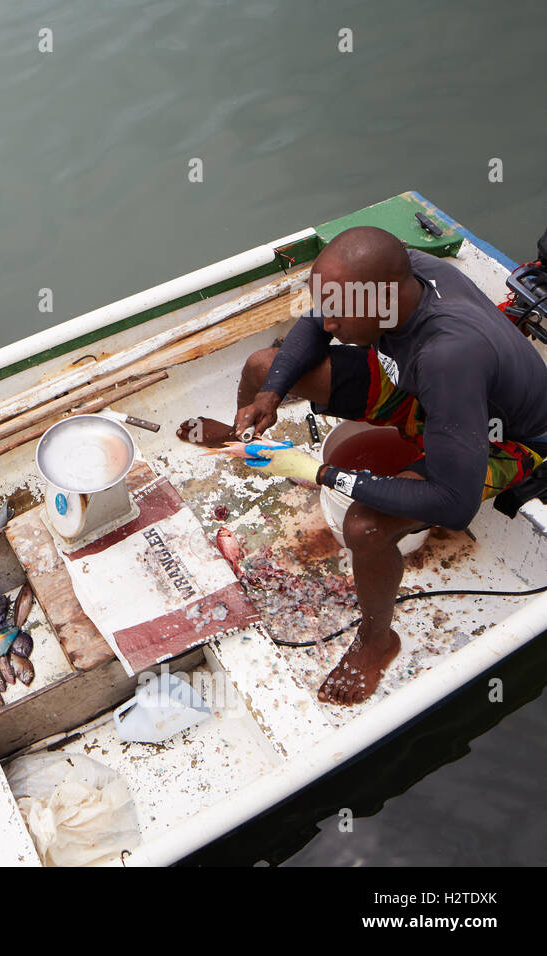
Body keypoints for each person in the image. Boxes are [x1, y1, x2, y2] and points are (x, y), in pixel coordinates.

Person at [180, 226, 547, 705]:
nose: (327, 323)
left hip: (499, 436)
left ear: (384, 302)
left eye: (338, 314)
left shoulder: (449, 356)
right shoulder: (402, 274)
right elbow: (314, 324)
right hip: (422, 391)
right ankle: (242, 441)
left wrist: (316, 471)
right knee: (261, 367)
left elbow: (453, 505)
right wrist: (271, 394)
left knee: (365, 527)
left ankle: (378, 641)